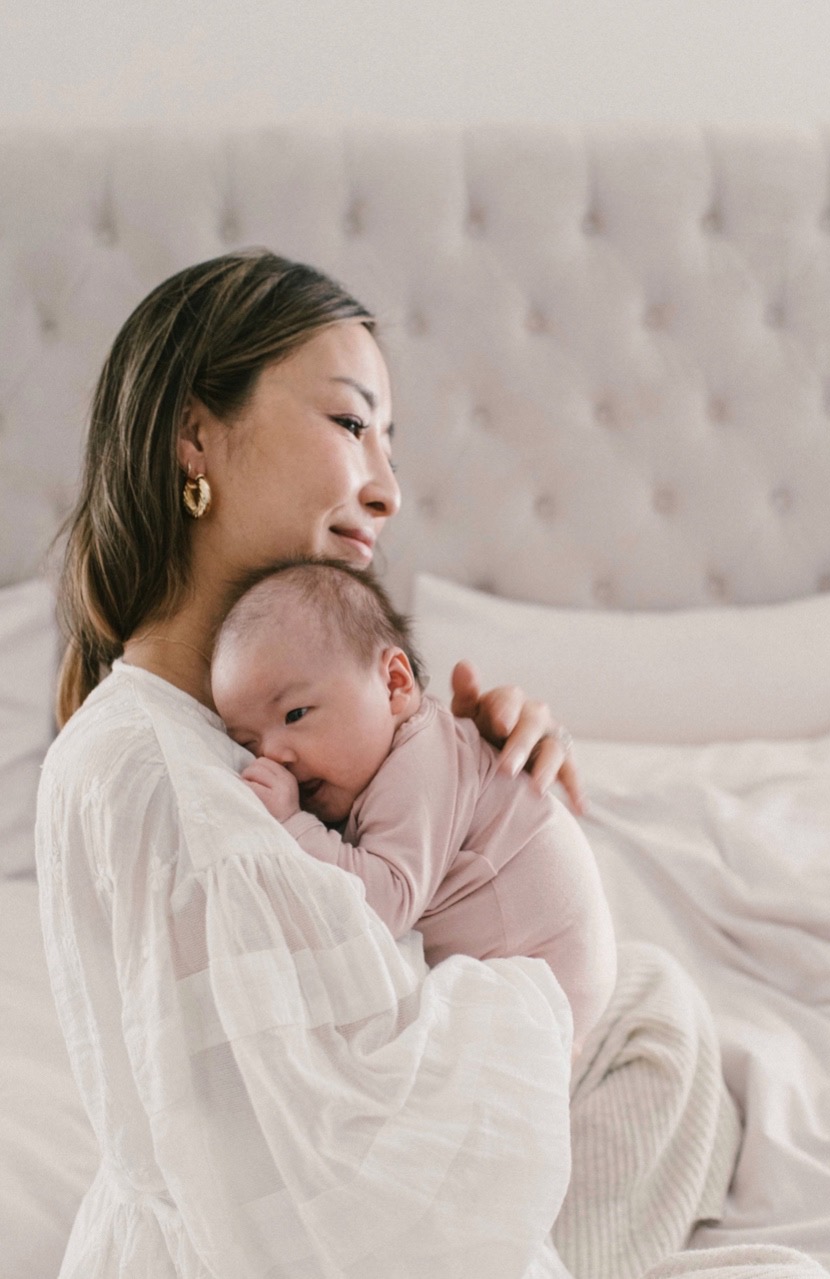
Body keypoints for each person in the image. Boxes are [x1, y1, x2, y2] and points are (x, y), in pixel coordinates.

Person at [38, 248, 741, 1279]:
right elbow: (338, 1169)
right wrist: (542, 988)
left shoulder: (187, 738)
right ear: (196, 434)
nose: (390, 489)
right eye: (351, 422)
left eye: (390, 442)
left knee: (657, 1008)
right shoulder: (170, 780)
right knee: (658, 1030)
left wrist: (475, 809)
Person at [210, 557, 618, 1059]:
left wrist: (293, 825)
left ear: (395, 684)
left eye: (295, 714)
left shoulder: (416, 763)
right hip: (542, 994)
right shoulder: (375, 765)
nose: (273, 755)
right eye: (248, 743)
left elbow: (386, 902)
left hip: (534, 989)